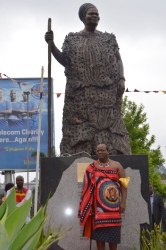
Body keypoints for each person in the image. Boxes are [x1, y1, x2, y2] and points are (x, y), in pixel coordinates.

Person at [45, 3, 131, 156]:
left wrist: (122, 78)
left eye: (97, 14)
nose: (95, 16)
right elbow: (65, 60)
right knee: (80, 128)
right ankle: (79, 155)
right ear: (84, 17)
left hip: (106, 92)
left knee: (109, 126)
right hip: (81, 95)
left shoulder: (108, 38)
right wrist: (51, 45)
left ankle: (113, 155)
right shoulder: (73, 39)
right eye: (91, 13)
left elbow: (118, 60)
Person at [78, 143, 130, 250]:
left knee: (113, 239)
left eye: (102, 150)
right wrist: (89, 206)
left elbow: (124, 186)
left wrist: (123, 202)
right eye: (98, 151)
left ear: (108, 151)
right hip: (98, 210)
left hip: (114, 209)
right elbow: (86, 188)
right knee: (99, 239)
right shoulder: (91, 167)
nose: (100, 152)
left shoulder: (117, 165)